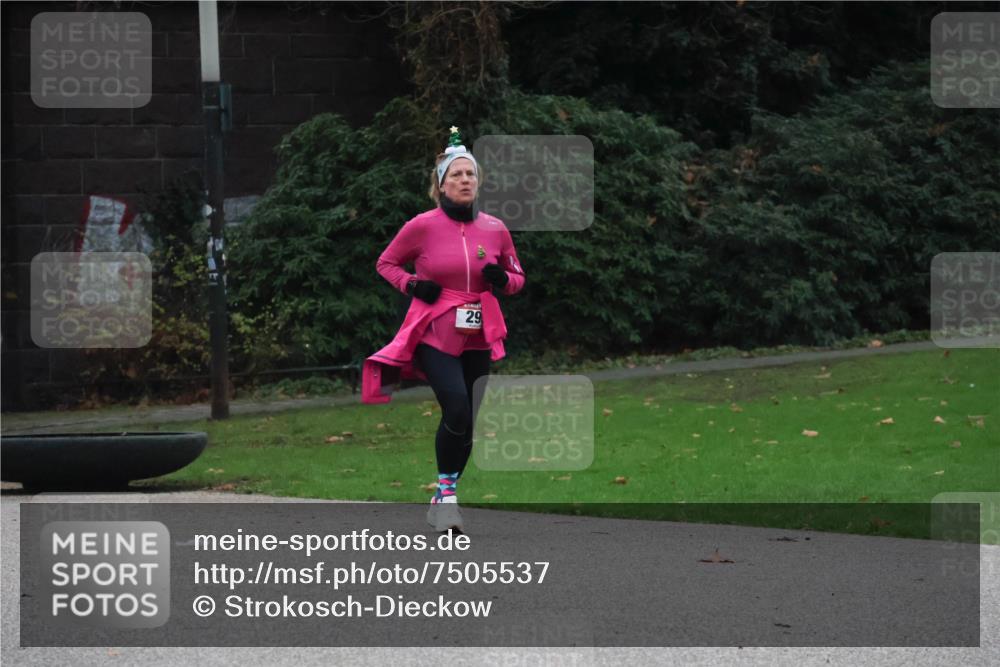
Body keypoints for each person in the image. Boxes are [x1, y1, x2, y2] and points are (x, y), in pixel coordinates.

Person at [363, 127, 526, 534]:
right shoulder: (421, 226)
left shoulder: (495, 228)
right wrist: (413, 285)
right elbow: (386, 263)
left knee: (468, 418)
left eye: (471, 174)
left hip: (478, 332)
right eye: (456, 175)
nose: (465, 180)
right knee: (455, 406)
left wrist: (503, 280)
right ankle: (448, 498)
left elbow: (517, 277)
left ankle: (443, 494)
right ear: (441, 185)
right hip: (435, 329)